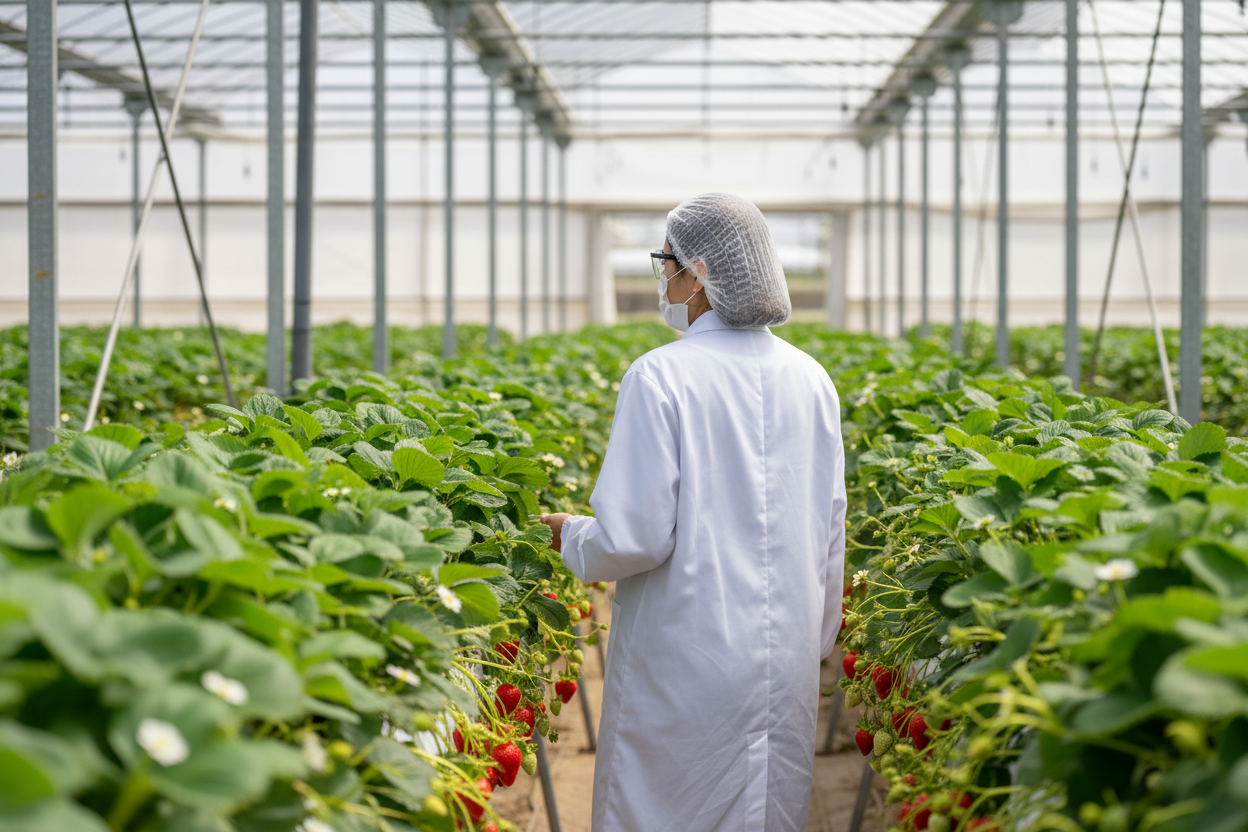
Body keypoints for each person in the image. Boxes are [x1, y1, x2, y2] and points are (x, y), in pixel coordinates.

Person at [540, 193, 847, 832]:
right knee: (765, 809)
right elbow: (829, 526)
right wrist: (811, 640)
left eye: (667, 261)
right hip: (784, 655)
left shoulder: (661, 377)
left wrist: (571, 537)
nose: (664, 277)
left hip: (687, 656)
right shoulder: (811, 378)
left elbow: (634, 537)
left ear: (700, 272)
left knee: (667, 810)